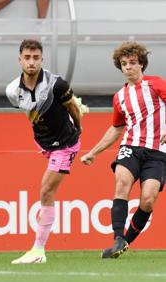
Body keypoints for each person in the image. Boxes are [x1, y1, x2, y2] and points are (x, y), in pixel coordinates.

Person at [81, 41, 166, 259]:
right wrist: (94, 152)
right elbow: (117, 128)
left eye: (132, 63)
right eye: (124, 64)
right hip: (130, 146)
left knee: (147, 200)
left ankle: (123, 243)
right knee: (121, 183)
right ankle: (117, 237)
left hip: (158, 152)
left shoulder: (155, 84)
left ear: (141, 65)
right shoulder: (119, 97)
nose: (128, 67)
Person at [6, 39, 87, 264]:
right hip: (44, 144)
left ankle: (38, 251)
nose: (31, 62)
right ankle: (38, 251)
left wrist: (78, 127)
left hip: (65, 143)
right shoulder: (12, 90)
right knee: (46, 193)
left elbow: (72, 108)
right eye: (27, 57)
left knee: (45, 192)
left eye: (36, 58)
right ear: (20, 59)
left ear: (42, 59)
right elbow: (30, 112)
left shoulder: (57, 84)